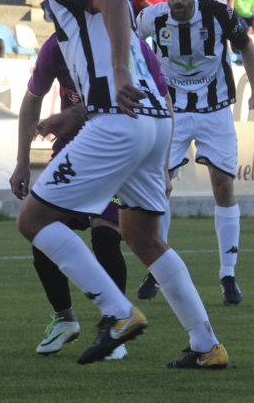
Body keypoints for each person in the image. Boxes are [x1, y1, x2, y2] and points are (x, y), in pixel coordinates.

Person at [19, 0, 229, 368]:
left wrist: (117, 74)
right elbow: (113, 15)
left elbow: (114, 6)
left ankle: (116, 313)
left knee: (33, 220)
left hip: (120, 119)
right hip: (153, 121)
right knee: (143, 236)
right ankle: (205, 345)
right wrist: (76, 112)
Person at [10, 31, 166, 359]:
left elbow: (161, 101)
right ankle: (64, 318)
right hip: (73, 149)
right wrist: (22, 161)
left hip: (115, 147)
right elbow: (31, 101)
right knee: (41, 229)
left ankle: (116, 325)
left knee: (106, 236)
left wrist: (161, 165)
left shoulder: (127, 44)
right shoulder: (57, 45)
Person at [128, 0, 254, 306]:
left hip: (215, 109)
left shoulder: (219, 15)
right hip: (171, 112)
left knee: (223, 185)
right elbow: (126, 43)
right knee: (159, 186)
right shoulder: (151, 18)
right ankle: (159, 266)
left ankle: (228, 275)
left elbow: (247, 47)